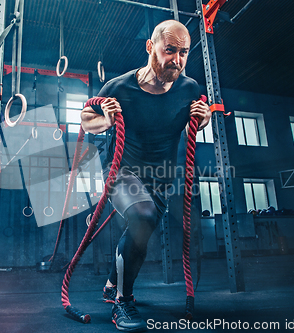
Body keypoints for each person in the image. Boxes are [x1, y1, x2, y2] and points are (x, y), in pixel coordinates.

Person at [81, 19, 211, 332]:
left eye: (183, 52)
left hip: (161, 179)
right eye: (170, 50)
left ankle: (112, 284)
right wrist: (107, 119)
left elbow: (197, 122)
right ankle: (123, 303)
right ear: (150, 47)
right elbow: (87, 119)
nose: (177, 60)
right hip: (122, 173)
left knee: (143, 229)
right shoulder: (120, 86)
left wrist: (203, 119)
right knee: (141, 216)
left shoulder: (190, 88)